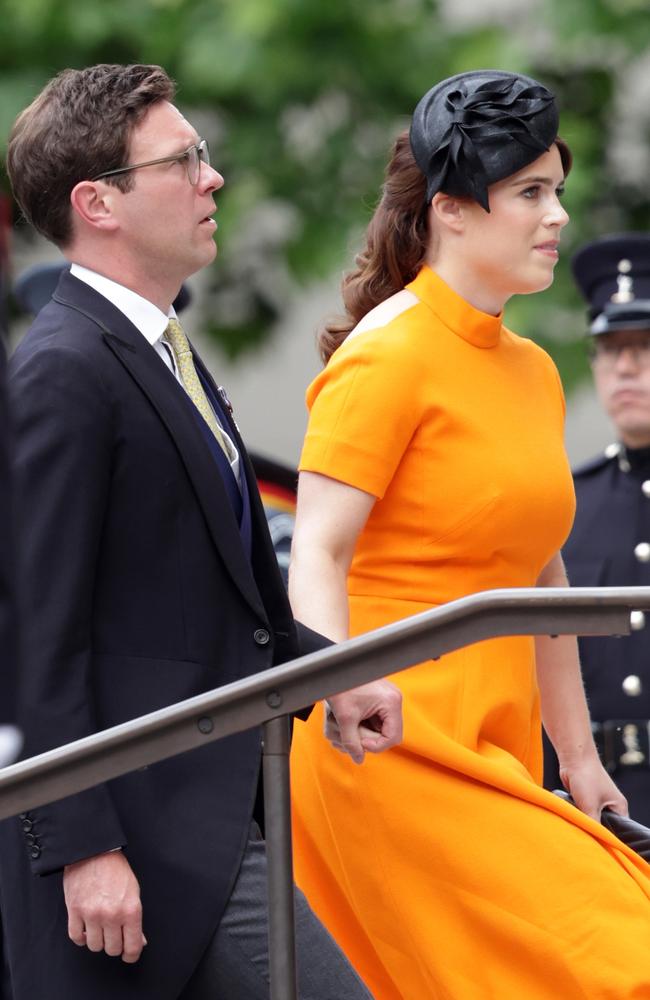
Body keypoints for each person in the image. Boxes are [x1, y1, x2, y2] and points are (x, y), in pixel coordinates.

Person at [0, 63, 402, 1000]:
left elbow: (201, 601)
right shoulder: (63, 372)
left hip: (207, 821)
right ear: (98, 202)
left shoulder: (155, 347)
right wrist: (83, 846)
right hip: (138, 841)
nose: (213, 178)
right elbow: (33, 639)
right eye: (184, 160)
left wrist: (330, 678)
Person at [288, 70, 650, 999]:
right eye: (530, 192)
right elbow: (316, 555)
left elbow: (542, 574)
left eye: (558, 189)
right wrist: (342, 683)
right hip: (384, 746)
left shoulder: (531, 369)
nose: (557, 214)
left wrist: (579, 759)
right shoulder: (386, 354)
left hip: (499, 750)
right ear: (451, 210)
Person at [543, 233, 650, 825]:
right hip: (598, 807)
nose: (627, 365)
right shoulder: (564, 502)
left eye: (644, 345)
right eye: (611, 347)